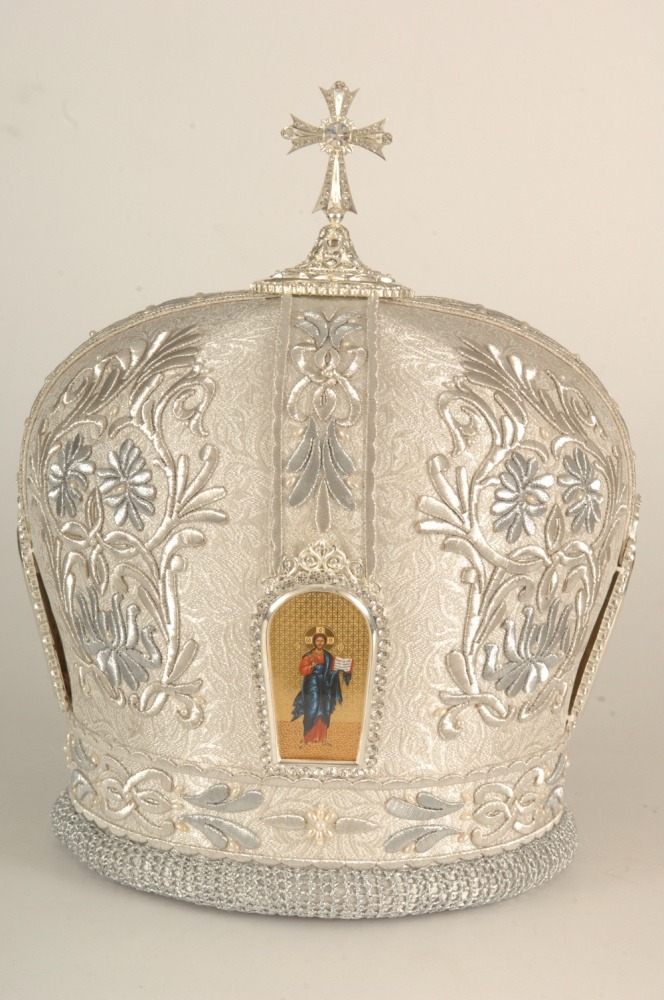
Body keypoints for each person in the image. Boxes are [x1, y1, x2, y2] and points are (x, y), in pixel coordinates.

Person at [291, 632, 352, 747]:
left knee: (324, 709)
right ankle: (306, 738)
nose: (320, 643)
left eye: (322, 641)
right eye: (318, 640)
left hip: (325, 684)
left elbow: (331, 670)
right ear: (314, 642)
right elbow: (302, 670)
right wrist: (312, 666)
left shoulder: (328, 656)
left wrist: (343, 668)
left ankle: (323, 738)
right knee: (312, 708)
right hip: (312, 684)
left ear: (325, 642)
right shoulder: (309, 656)